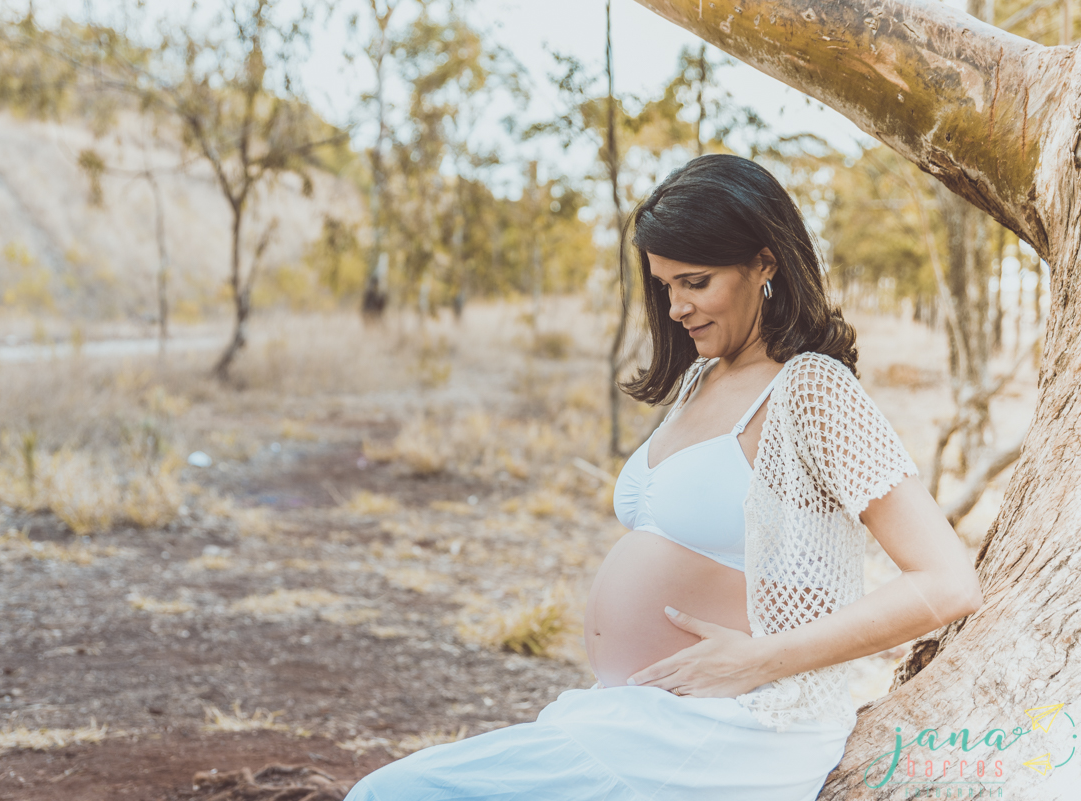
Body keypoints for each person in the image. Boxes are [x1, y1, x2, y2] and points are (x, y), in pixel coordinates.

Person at [343, 154, 984, 801]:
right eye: (665, 285)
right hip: (644, 717)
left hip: (736, 727)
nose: (676, 306)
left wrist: (761, 658)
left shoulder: (811, 389)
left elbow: (947, 580)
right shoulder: (703, 378)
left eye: (696, 282)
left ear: (766, 262)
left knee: (391, 793)